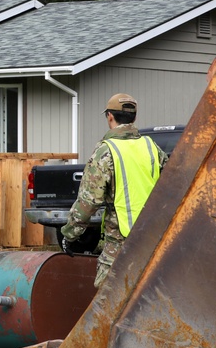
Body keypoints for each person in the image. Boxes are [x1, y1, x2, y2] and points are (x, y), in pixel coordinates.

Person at [61, 93, 166, 289]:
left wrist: (70, 235)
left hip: (120, 242)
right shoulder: (152, 148)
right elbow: (171, 187)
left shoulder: (106, 151)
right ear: (134, 117)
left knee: (109, 300)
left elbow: (88, 202)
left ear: (110, 116)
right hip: (152, 239)